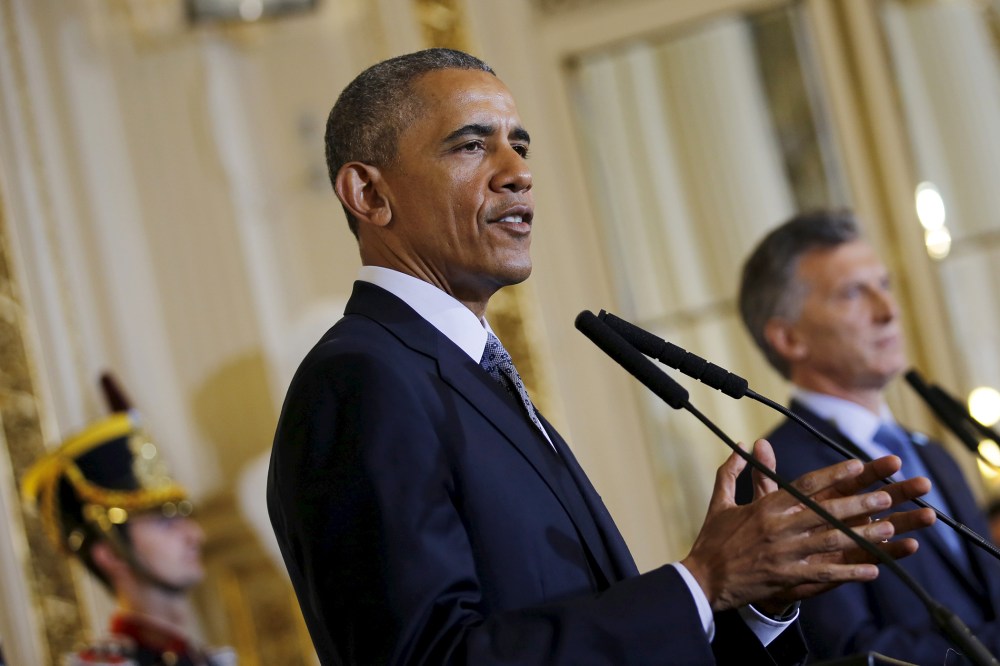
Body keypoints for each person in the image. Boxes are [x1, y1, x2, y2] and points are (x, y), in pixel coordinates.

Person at [267, 49, 934, 665]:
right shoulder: (361, 379)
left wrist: (750, 601)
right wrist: (699, 582)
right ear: (369, 194)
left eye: (520, 146)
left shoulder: (470, 373)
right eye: (472, 145)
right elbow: (425, 658)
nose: (519, 173)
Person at [737, 209, 1000, 663]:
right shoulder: (779, 472)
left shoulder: (933, 452)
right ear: (789, 338)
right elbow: (849, 653)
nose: (889, 311)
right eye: (854, 293)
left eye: (885, 285)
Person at [22, 410, 236, 666]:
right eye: (165, 522)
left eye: (184, 516)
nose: (195, 534)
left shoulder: (205, 660)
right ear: (111, 554)